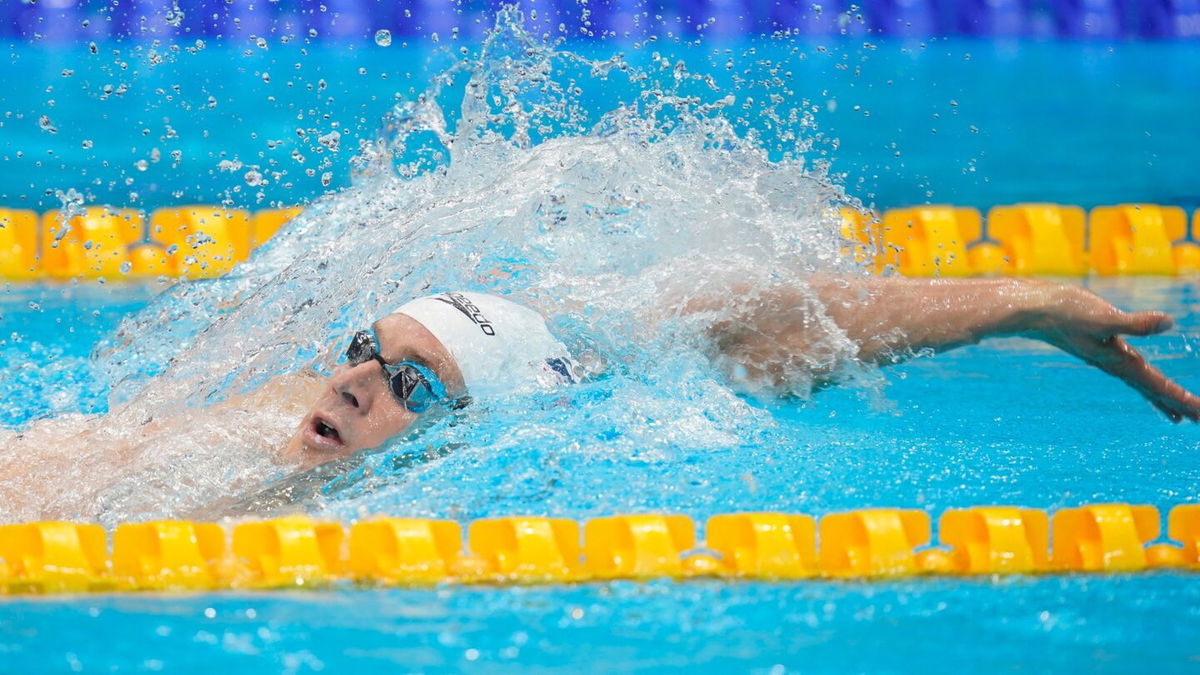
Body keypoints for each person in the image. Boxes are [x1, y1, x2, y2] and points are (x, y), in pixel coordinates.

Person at [2, 276, 1198, 521]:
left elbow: (746, 337)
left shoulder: (488, 492)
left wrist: (1020, 307)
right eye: (364, 350)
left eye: (412, 382)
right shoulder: (230, 438)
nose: (357, 383)